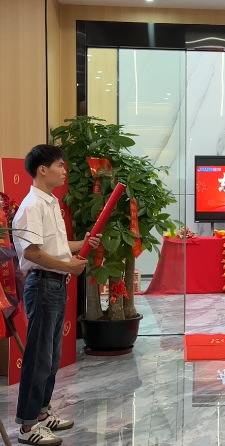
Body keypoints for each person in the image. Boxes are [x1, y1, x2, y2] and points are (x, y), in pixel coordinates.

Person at [12, 144, 101, 446]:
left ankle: (42, 413)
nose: (65, 171)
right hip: (42, 285)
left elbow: (57, 247)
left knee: (50, 358)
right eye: (60, 165)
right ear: (42, 170)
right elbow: (32, 253)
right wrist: (68, 266)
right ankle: (27, 428)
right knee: (39, 358)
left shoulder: (50, 202)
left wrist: (83, 243)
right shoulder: (32, 206)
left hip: (55, 285)